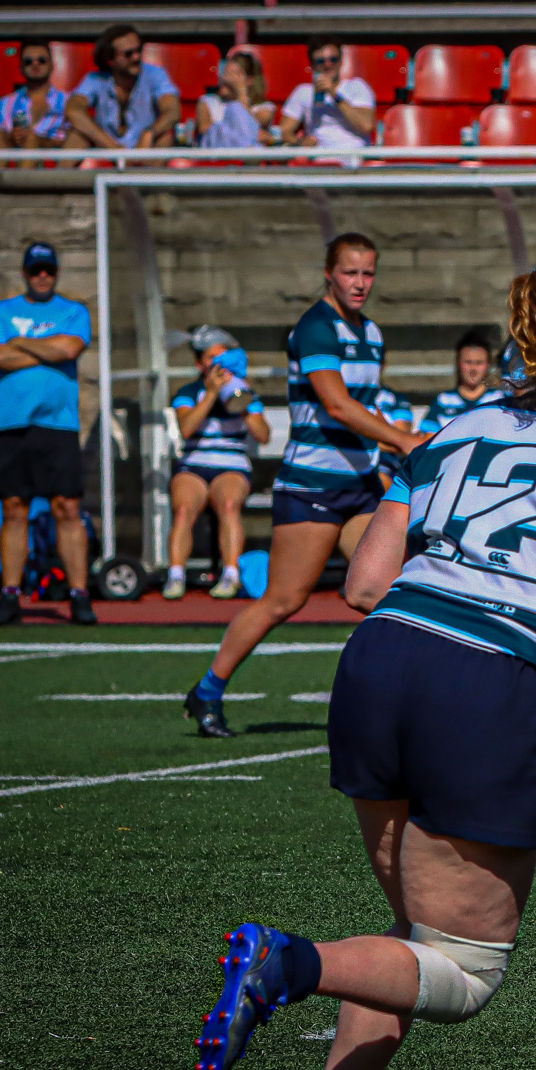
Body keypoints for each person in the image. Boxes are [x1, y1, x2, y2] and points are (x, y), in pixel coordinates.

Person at [191, 253, 536, 1070]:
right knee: (464, 974)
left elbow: (363, 583)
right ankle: (288, 962)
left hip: (382, 659)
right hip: (485, 681)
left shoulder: (455, 428)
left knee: (411, 940)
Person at [184, 233, 426, 738]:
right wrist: (403, 441)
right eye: (350, 272)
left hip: (360, 483)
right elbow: (336, 404)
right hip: (311, 485)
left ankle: (396, 699)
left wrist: (395, 436)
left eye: (368, 273)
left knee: (383, 590)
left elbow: (363, 404)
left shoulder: (372, 332)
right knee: (283, 601)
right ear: (328, 273)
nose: (360, 283)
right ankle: (207, 690)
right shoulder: (316, 328)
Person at [0, 242, 95, 626]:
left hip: (58, 424)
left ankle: (79, 594)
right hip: (12, 423)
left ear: (56, 272)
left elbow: (69, 349)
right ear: (25, 273)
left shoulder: (73, 311)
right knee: (14, 508)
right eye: (35, 270)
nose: (42, 276)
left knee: (67, 506)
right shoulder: (1, 312)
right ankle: (10, 594)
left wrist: (21, 345)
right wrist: (46, 349)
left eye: (48, 269)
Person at [166, 326, 270, 601]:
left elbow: (263, 435)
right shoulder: (189, 392)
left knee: (228, 505)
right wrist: (212, 393)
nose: (220, 364)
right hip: (194, 464)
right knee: (184, 507)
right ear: (201, 363)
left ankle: (230, 575)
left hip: (231, 465)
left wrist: (242, 402)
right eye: (213, 358)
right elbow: (186, 428)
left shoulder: (244, 391)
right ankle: (176, 575)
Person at [64, 24, 181, 150]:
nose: (136, 57)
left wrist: (150, 132)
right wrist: (113, 147)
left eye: (139, 50)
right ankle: (61, 171)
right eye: (128, 53)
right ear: (110, 59)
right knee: (76, 136)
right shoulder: (95, 79)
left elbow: (173, 111)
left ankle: (148, 170)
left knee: (165, 137)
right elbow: (73, 110)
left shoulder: (155, 74)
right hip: (106, 148)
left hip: (145, 149)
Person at [277, 41, 375, 152]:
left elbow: (366, 126)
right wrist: (300, 141)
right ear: (312, 64)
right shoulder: (303, 92)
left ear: (341, 60)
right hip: (319, 160)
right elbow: (283, 131)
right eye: (321, 61)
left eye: (333, 59)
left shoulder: (357, 86)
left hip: (354, 157)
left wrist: (333, 93)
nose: (328, 65)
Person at [0, 38, 70, 151]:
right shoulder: (2, 104)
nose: (35, 64)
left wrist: (40, 141)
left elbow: (75, 141)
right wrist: (11, 138)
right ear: (21, 68)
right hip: (13, 161)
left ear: (51, 65)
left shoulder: (69, 101)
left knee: (32, 139)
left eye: (42, 60)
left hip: (54, 164)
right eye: (28, 61)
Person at [417, 330, 501, 434]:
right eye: (468, 362)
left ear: (488, 365)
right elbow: (427, 439)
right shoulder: (443, 401)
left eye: (479, 363)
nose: (473, 368)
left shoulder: (500, 399)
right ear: (458, 363)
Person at [196, 50, 274, 150]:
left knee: (236, 107)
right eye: (225, 73)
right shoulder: (207, 102)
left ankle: (248, 153)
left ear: (249, 80)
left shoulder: (264, 108)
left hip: (242, 157)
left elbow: (254, 123)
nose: (226, 79)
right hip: (215, 154)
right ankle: (249, 152)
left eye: (234, 74)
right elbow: (205, 130)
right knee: (230, 115)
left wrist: (241, 91)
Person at [373, 385, 415, 494]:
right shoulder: (344, 395)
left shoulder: (396, 397)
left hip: (387, 463)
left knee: (380, 478)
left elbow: (399, 442)